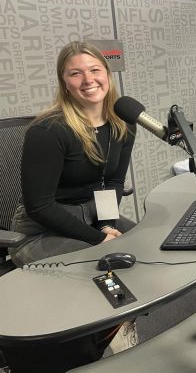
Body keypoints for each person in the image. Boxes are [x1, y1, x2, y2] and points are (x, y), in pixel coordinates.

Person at [5, 41, 137, 371]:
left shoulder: (122, 124)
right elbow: (39, 207)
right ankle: (88, 353)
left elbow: (114, 184)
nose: (87, 79)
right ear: (64, 82)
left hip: (93, 220)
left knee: (145, 251)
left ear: (107, 75)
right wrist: (97, 239)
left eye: (95, 70)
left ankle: (116, 333)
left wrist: (107, 224)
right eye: (75, 73)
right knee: (101, 271)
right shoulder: (49, 130)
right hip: (40, 232)